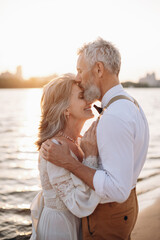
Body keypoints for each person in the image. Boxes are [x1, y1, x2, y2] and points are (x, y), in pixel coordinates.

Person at [41, 38, 149, 240]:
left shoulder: (114, 116)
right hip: (125, 207)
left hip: (109, 213)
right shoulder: (129, 103)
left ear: (99, 69)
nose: (79, 78)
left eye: (80, 70)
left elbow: (117, 189)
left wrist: (70, 162)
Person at [30, 73, 106, 240]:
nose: (90, 101)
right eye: (82, 97)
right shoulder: (54, 148)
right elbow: (79, 204)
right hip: (60, 228)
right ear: (65, 109)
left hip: (81, 224)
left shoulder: (82, 141)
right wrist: (91, 157)